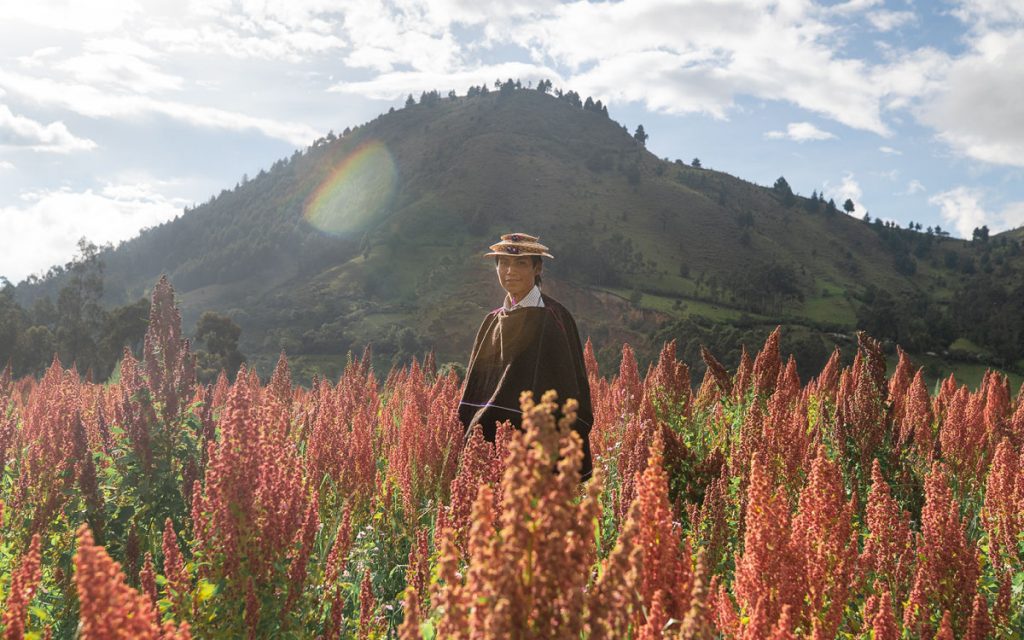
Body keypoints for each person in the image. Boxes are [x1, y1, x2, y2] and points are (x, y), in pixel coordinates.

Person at [458, 232, 594, 479]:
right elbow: (478, 388)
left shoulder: (554, 318)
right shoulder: (491, 321)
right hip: (492, 443)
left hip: (539, 448)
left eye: (521, 263)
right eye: (504, 263)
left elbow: (569, 387)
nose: (511, 270)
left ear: (537, 268)